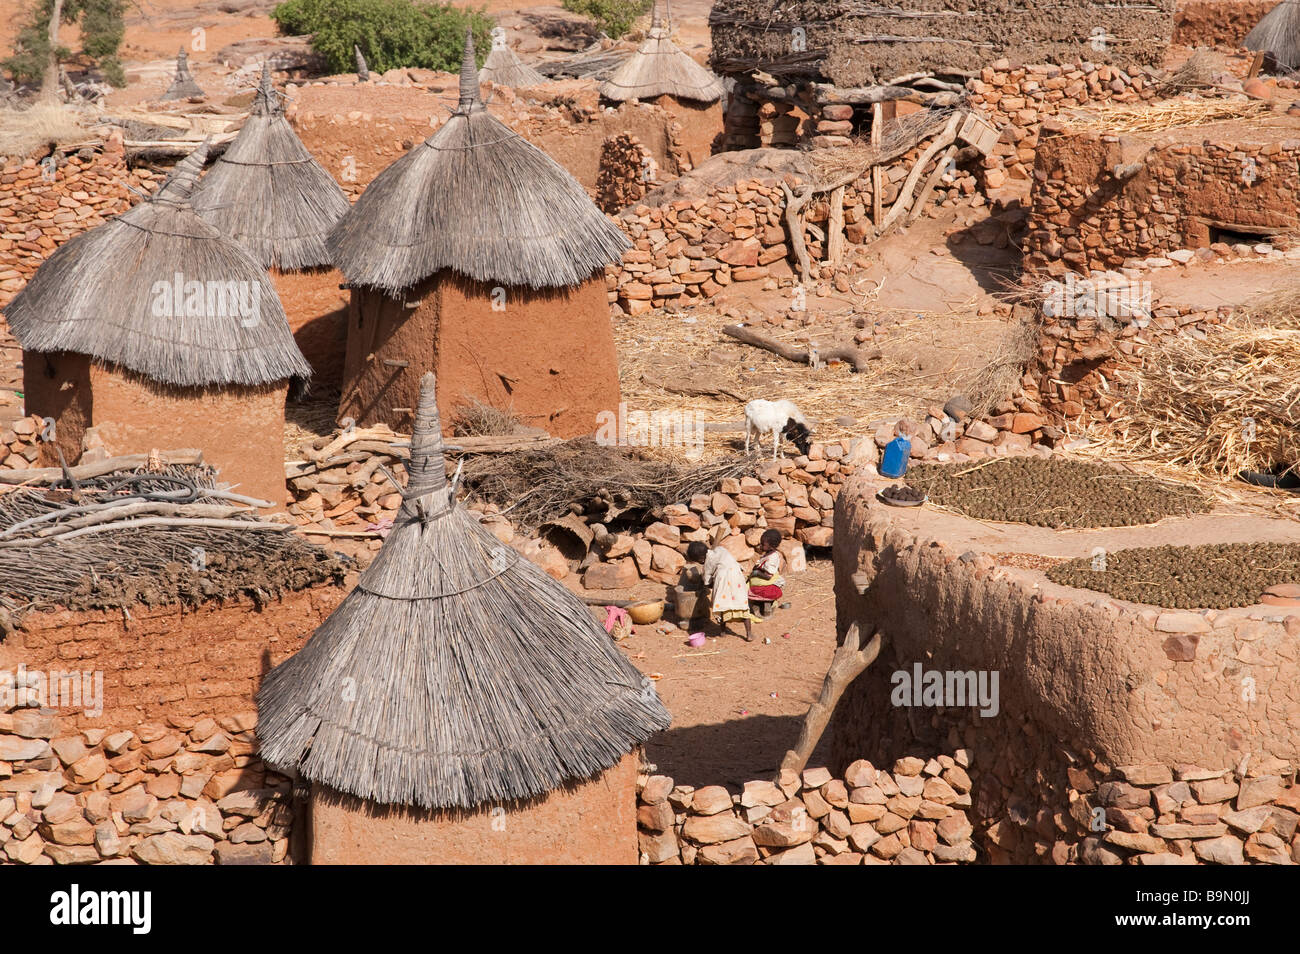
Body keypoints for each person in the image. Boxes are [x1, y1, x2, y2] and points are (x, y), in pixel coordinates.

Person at [685, 541, 754, 641]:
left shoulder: (707, 563)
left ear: (700, 559)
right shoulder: (721, 549)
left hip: (723, 580)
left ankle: (722, 632)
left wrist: (706, 583)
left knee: (721, 606)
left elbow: (707, 581)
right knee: (742, 605)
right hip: (737, 578)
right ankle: (749, 634)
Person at [748, 529, 785, 616]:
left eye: (763, 544)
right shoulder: (768, 553)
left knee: (750, 589)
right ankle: (761, 606)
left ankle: (763, 607)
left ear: (771, 546)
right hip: (764, 580)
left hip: (767, 583)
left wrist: (756, 573)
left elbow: (768, 576)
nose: (760, 545)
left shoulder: (772, 559)